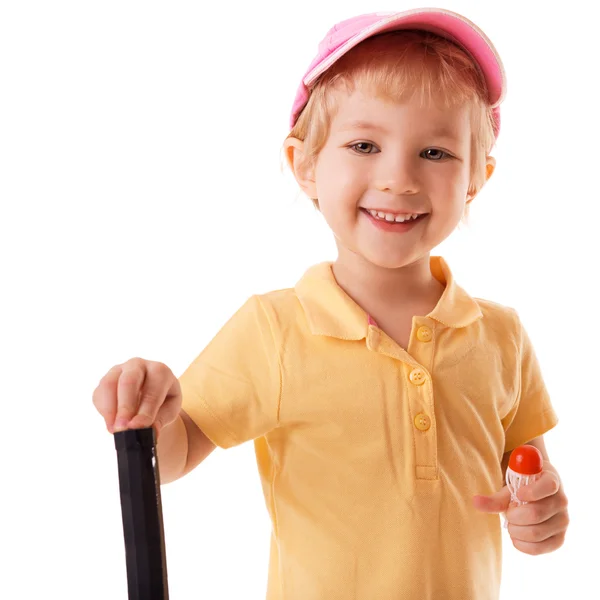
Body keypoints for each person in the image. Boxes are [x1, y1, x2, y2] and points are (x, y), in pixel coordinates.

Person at [92, 8, 570, 599]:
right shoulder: (275, 330)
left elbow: (528, 475)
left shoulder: (500, 335)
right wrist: (149, 415)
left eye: (436, 153)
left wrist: (541, 514)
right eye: (365, 144)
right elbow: (175, 452)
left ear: (477, 178)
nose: (398, 178)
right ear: (306, 165)